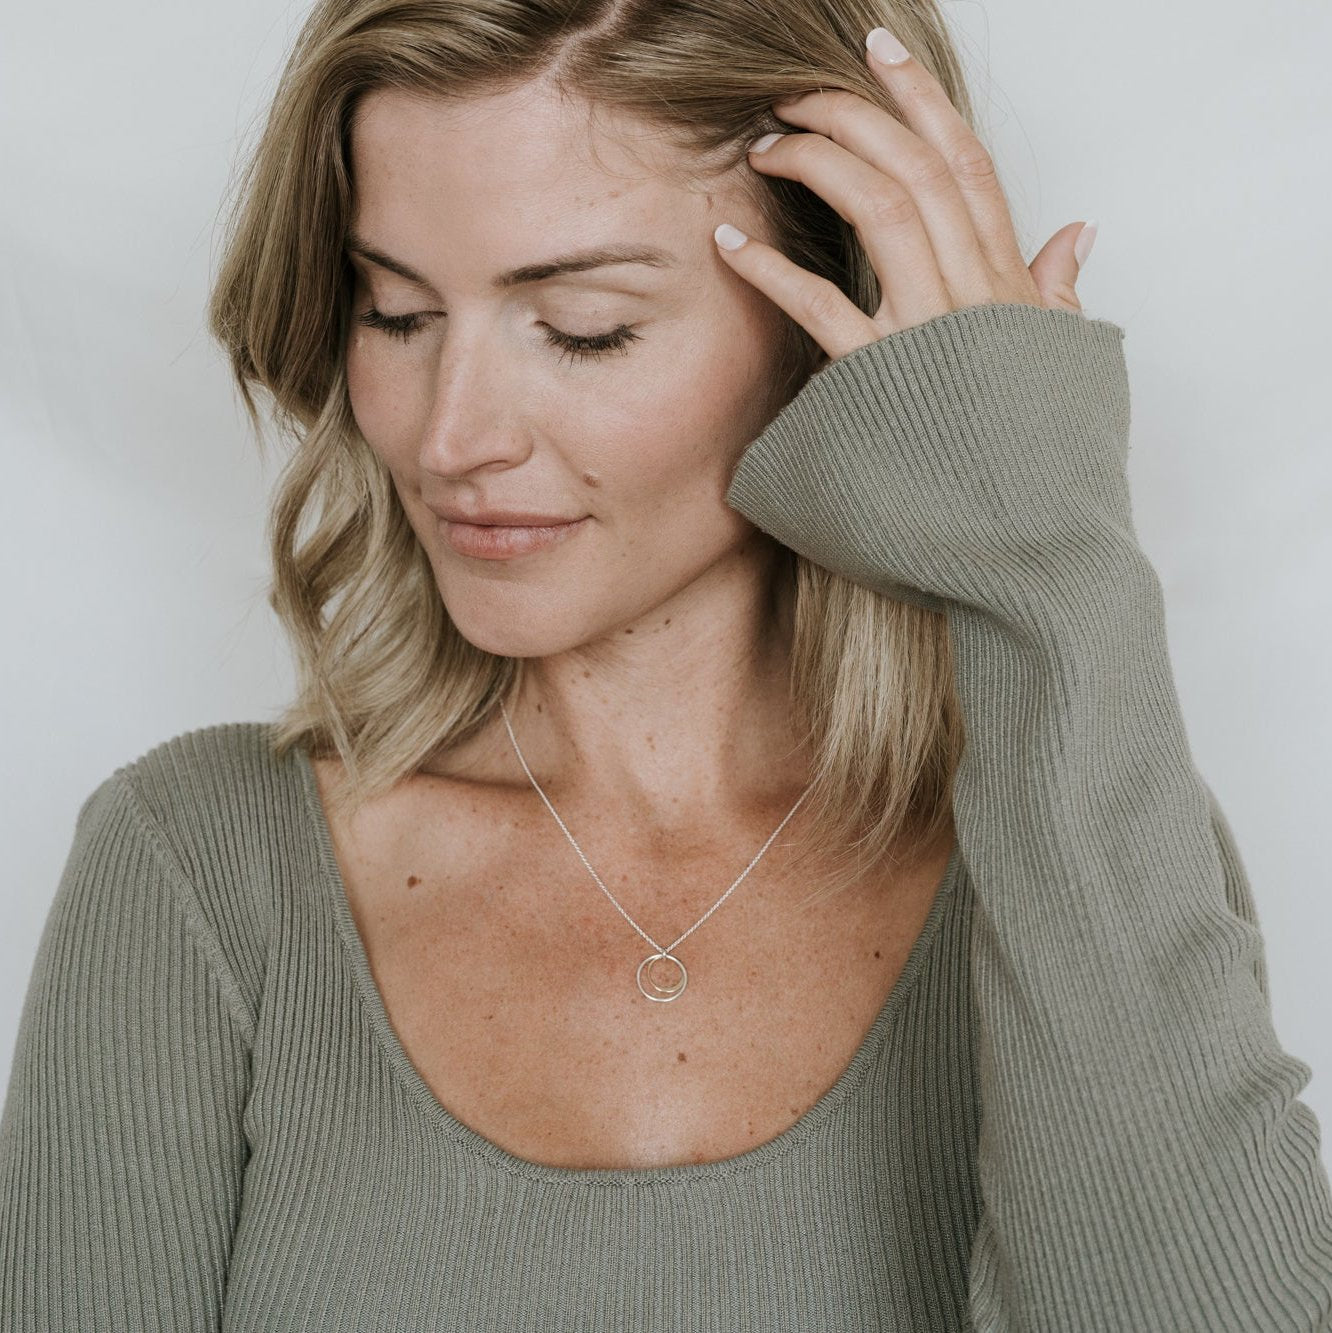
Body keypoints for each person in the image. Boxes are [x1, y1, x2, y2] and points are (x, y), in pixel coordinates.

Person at [3, 0, 1331, 1328]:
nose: (450, 435)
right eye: (395, 312)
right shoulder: (195, 869)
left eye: (583, 326)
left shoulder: (1068, 842)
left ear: (824, 319)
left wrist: (1044, 560)